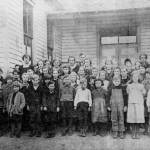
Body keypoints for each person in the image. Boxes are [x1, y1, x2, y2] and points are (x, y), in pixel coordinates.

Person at [127, 73, 146, 139]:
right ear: (132, 78)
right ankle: (133, 132)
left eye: (136, 77)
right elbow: (128, 92)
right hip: (132, 103)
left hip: (139, 103)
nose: (135, 78)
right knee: (132, 118)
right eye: (134, 77)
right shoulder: (129, 85)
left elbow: (144, 93)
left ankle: (137, 132)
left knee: (138, 118)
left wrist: (142, 90)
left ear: (138, 78)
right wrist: (129, 87)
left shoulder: (141, 85)